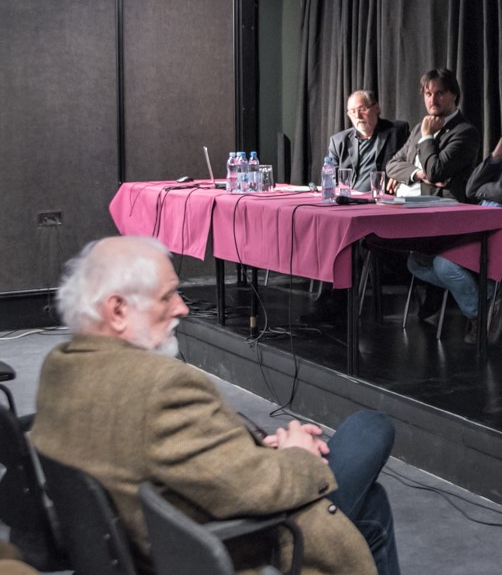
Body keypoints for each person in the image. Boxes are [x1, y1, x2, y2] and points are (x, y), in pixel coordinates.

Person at [29, 236, 402, 575]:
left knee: (370, 498)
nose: (182, 308)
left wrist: (256, 449)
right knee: (372, 427)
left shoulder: (61, 367)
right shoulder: (160, 387)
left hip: (163, 536)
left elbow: (170, 453)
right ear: (118, 310)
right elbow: (256, 490)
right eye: (167, 296)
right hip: (243, 545)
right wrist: (298, 453)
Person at [408, 95, 502, 344]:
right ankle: (488, 301)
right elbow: (471, 189)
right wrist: (495, 157)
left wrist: (485, 189)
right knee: (416, 261)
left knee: (444, 265)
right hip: (481, 231)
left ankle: (479, 315)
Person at [385, 68, 481, 203]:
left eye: (439, 93)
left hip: (435, 205)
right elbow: (392, 165)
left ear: (454, 95)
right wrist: (418, 174)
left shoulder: (465, 132)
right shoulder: (419, 128)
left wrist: (427, 136)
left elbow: (435, 173)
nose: (433, 100)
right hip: (400, 201)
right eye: (428, 94)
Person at [327, 90, 410, 193]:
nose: (357, 116)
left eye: (362, 109)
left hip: (383, 197)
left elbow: (413, 160)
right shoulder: (338, 141)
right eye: (352, 111)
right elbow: (330, 179)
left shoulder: (397, 131)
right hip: (349, 198)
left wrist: (400, 174)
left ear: (377, 108)